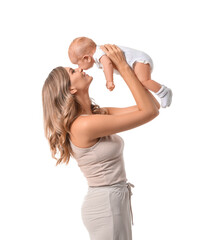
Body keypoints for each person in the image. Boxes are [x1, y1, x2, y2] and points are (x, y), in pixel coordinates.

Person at [42, 44, 160, 240]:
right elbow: (149, 112)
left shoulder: (97, 113)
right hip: (106, 205)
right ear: (71, 88)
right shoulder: (83, 125)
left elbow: (152, 105)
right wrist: (122, 66)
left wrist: (125, 69)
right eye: (73, 71)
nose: (80, 68)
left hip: (115, 201)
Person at [68, 36, 172, 108]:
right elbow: (106, 67)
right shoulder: (98, 55)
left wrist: (109, 81)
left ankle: (164, 91)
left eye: (78, 64)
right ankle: (154, 101)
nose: (79, 68)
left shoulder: (98, 53)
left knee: (144, 81)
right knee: (140, 84)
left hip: (138, 60)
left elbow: (108, 64)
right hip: (135, 63)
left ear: (87, 58)